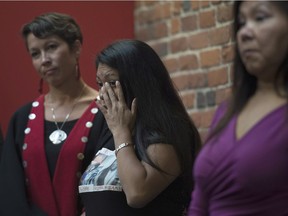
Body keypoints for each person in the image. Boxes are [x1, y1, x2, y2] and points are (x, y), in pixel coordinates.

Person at [0, 12, 113, 216]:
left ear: (76, 48)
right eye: (35, 53)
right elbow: (10, 192)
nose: (44, 60)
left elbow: (112, 182)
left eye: (51, 47)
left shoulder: (106, 111)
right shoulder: (21, 119)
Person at [78, 39, 202, 216]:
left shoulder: (167, 131)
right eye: (100, 84)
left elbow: (137, 193)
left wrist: (121, 132)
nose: (103, 94)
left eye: (112, 83)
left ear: (139, 83)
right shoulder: (111, 129)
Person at [188, 1, 288, 215]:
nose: (244, 33)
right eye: (242, 23)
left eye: (260, 18)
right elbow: (200, 202)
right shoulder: (228, 110)